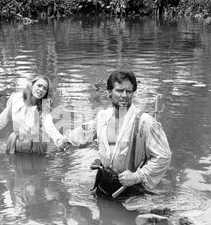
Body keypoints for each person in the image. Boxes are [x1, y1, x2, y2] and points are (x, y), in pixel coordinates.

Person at [65, 70, 172, 200]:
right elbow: (83, 132)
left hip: (130, 190)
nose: (125, 95)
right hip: (104, 183)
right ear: (109, 92)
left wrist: (137, 176)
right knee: (103, 217)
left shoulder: (145, 122)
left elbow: (163, 157)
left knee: (129, 219)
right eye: (120, 90)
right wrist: (65, 141)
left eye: (129, 91)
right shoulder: (102, 117)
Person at [0, 75, 69, 154]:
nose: (41, 89)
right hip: (15, 141)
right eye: (39, 85)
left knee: (37, 170)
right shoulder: (16, 97)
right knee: (16, 169)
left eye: (45, 88)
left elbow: (48, 125)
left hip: (36, 144)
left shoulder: (45, 104)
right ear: (32, 85)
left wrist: (59, 140)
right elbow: (4, 117)